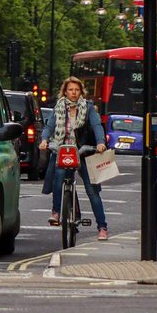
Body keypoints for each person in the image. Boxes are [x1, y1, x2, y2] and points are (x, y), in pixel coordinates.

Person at [40, 76, 110, 241]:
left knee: (92, 191)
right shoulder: (59, 107)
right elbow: (49, 126)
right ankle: (56, 212)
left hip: (83, 151)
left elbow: (97, 126)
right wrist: (44, 140)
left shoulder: (88, 108)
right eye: (70, 90)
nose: (73, 93)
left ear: (81, 92)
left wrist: (100, 143)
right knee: (58, 178)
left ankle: (102, 227)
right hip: (63, 151)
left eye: (77, 90)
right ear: (65, 91)